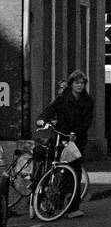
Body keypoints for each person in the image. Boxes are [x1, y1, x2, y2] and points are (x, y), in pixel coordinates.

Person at [39, 69, 93, 218]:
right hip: (60, 136)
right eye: (77, 83)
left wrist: (76, 133)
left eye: (82, 83)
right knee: (51, 165)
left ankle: (73, 207)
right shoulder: (63, 98)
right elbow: (50, 110)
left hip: (76, 141)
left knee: (73, 173)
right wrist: (42, 119)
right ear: (71, 84)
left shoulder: (87, 101)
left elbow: (87, 121)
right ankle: (44, 199)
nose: (80, 86)